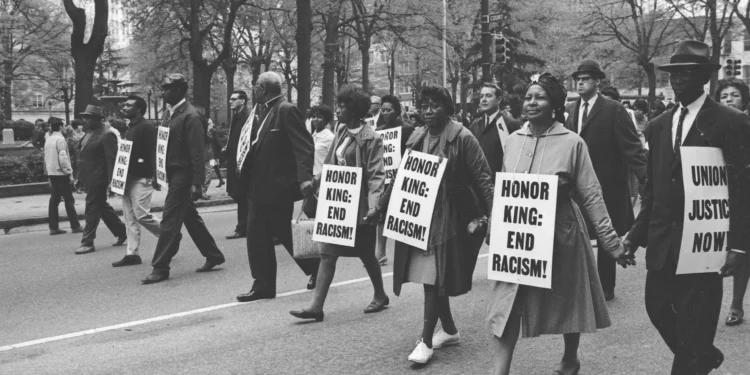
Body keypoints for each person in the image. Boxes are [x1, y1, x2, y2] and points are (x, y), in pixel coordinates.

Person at [487, 73, 634, 375]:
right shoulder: (513, 140)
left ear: (554, 104)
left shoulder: (572, 143)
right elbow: (503, 188)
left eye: (539, 97)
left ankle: (570, 357)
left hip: (561, 235)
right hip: (517, 239)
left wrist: (612, 243)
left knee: (569, 300)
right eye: (528, 97)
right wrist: (493, 226)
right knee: (506, 302)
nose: (531, 102)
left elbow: (592, 195)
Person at [624, 40, 750, 375]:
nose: (678, 81)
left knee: (697, 324)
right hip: (664, 243)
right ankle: (702, 357)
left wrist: (737, 245)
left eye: (687, 74)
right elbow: (652, 191)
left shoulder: (731, 122)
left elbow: (741, 188)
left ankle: (693, 362)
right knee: (657, 308)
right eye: (674, 74)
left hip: (704, 245)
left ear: (703, 78)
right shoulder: (658, 125)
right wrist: (634, 236)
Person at [379, 85, 494, 364]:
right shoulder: (417, 137)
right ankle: (451, 331)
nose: (429, 111)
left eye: (435, 105)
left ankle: (426, 340)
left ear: (448, 107)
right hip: (419, 219)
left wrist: (494, 220)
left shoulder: (463, 137)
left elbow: (483, 179)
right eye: (424, 105)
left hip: (449, 220)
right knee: (432, 279)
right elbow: (398, 179)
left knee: (432, 280)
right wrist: (379, 207)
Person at [290, 85, 389, 322]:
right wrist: (316, 180)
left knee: (366, 254)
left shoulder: (371, 138)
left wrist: (375, 206)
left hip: (359, 208)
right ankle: (316, 306)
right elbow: (329, 164)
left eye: (343, 106)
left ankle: (380, 294)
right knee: (327, 253)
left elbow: (377, 175)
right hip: (337, 205)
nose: (338, 110)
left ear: (354, 110)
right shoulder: (342, 131)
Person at [564, 60, 648, 301]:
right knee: (576, 234)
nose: (580, 82)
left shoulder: (613, 109)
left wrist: (646, 180)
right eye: (578, 79)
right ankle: (580, 283)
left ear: (598, 82)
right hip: (576, 184)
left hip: (606, 184)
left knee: (605, 235)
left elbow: (632, 148)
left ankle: (606, 286)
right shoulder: (570, 110)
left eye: (586, 78)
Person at [235, 72, 320, 302]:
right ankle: (263, 284)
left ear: (263, 89)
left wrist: (304, 177)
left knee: (284, 233)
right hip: (257, 185)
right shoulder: (259, 111)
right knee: (257, 236)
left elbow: (303, 145)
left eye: (255, 87)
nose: (253, 91)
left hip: (277, 186)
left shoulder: (285, 109)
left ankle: (317, 268)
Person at [141, 74, 226, 284]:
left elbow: (197, 152)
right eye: (163, 88)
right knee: (190, 217)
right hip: (172, 172)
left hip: (184, 173)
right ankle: (214, 255)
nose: (163, 92)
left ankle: (160, 266)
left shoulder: (191, 116)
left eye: (167, 88)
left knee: (170, 219)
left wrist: (198, 183)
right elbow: (163, 147)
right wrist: (158, 172)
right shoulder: (169, 114)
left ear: (179, 91)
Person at [112, 96, 162, 268]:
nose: (124, 107)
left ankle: (168, 236)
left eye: (128, 105)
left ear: (139, 109)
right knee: (129, 218)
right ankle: (132, 254)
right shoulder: (131, 127)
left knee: (141, 215)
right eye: (124, 104)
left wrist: (156, 175)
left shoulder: (147, 127)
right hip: (128, 178)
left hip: (142, 177)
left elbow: (154, 150)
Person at [716, 78, 750, 328]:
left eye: (735, 94)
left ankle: (736, 303)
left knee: (743, 250)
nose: (729, 98)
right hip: (718, 198)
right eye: (724, 95)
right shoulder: (710, 129)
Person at [74, 105, 127, 255]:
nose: (85, 120)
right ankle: (122, 231)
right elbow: (83, 157)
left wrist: (112, 181)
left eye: (89, 117)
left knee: (92, 208)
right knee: (101, 207)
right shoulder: (89, 133)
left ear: (98, 119)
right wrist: (79, 176)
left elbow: (112, 160)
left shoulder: (106, 134)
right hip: (89, 177)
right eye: (85, 117)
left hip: (99, 178)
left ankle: (87, 242)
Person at [374, 94, 414, 265]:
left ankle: (405, 253)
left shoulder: (407, 129)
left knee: (401, 215)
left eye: (388, 110)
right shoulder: (379, 129)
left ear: (397, 111)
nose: (385, 113)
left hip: (402, 177)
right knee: (381, 214)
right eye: (382, 110)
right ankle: (380, 252)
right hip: (385, 178)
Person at [469, 82, 521, 180]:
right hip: (476, 183)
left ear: (499, 99)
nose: (483, 100)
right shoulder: (475, 125)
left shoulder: (510, 124)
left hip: (499, 183)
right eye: (481, 96)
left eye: (488, 96)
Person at [44, 117, 82, 236]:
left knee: (54, 200)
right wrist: (69, 172)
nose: (65, 128)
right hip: (61, 173)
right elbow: (63, 158)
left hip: (52, 172)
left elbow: (46, 157)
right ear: (60, 127)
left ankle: (53, 227)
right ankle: (75, 225)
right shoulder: (61, 140)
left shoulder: (48, 139)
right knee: (69, 200)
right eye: (64, 126)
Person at [223, 90, 251, 239]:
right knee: (238, 195)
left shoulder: (247, 117)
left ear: (243, 101)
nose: (230, 101)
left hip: (242, 164)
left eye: (234, 99)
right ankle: (244, 226)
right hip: (234, 161)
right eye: (230, 99)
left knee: (241, 195)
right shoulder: (237, 116)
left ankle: (243, 227)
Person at [309, 105, 335, 176]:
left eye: (319, 117)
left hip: (324, 177)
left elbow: (333, 162)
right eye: (314, 116)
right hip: (311, 177)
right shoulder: (312, 136)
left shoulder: (330, 138)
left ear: (326, 120)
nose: (315, 119)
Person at [209, 119, 225, 188]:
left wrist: (223, 149)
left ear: (212, 124)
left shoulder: (213, 132)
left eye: (210, 123)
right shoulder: (210, 132)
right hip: (211, 153)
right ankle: (221, 180)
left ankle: (204, 186)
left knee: (209, 168)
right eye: (208, 124)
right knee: (215, 167)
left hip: (213, 153)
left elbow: (218, 141)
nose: (209, 125)